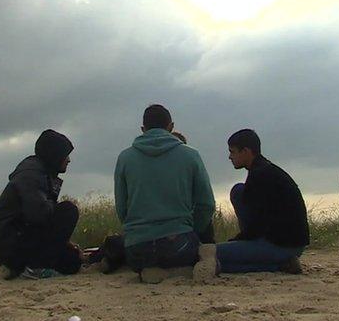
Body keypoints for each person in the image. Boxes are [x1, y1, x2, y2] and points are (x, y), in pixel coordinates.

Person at [113, 104, 216, 283]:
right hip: (178, 246)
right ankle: (179, 271)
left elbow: (122, 209)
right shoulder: (191, 155)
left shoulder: (124, 158)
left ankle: (151, 271)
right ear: (171, 127)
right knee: (206, 251)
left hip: (137, 251)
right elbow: (206, 205)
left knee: (144, 256)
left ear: (143, 129)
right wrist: (194, 230)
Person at [195, 129, 310, 280]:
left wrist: (238, 240)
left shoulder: (259, 176)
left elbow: (258, 223)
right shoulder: (265, 170)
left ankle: (279, 265)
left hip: (281, 244)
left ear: (246, 151)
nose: (230, 157)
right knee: (238, 190)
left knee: (208, 255)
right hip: (290, 242)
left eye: (233, 152)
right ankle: (279, 261)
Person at [0, 129, 82, 279]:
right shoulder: (31, 175)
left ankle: (21, 267)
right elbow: (38, 215)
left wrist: (64, 242)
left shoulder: (41, 171)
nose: (68, 160)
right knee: (68, 211)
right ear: (54, 155)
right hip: (9, 242)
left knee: (72, 261)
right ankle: (32, 268)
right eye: (65, 155)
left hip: (16, 238)